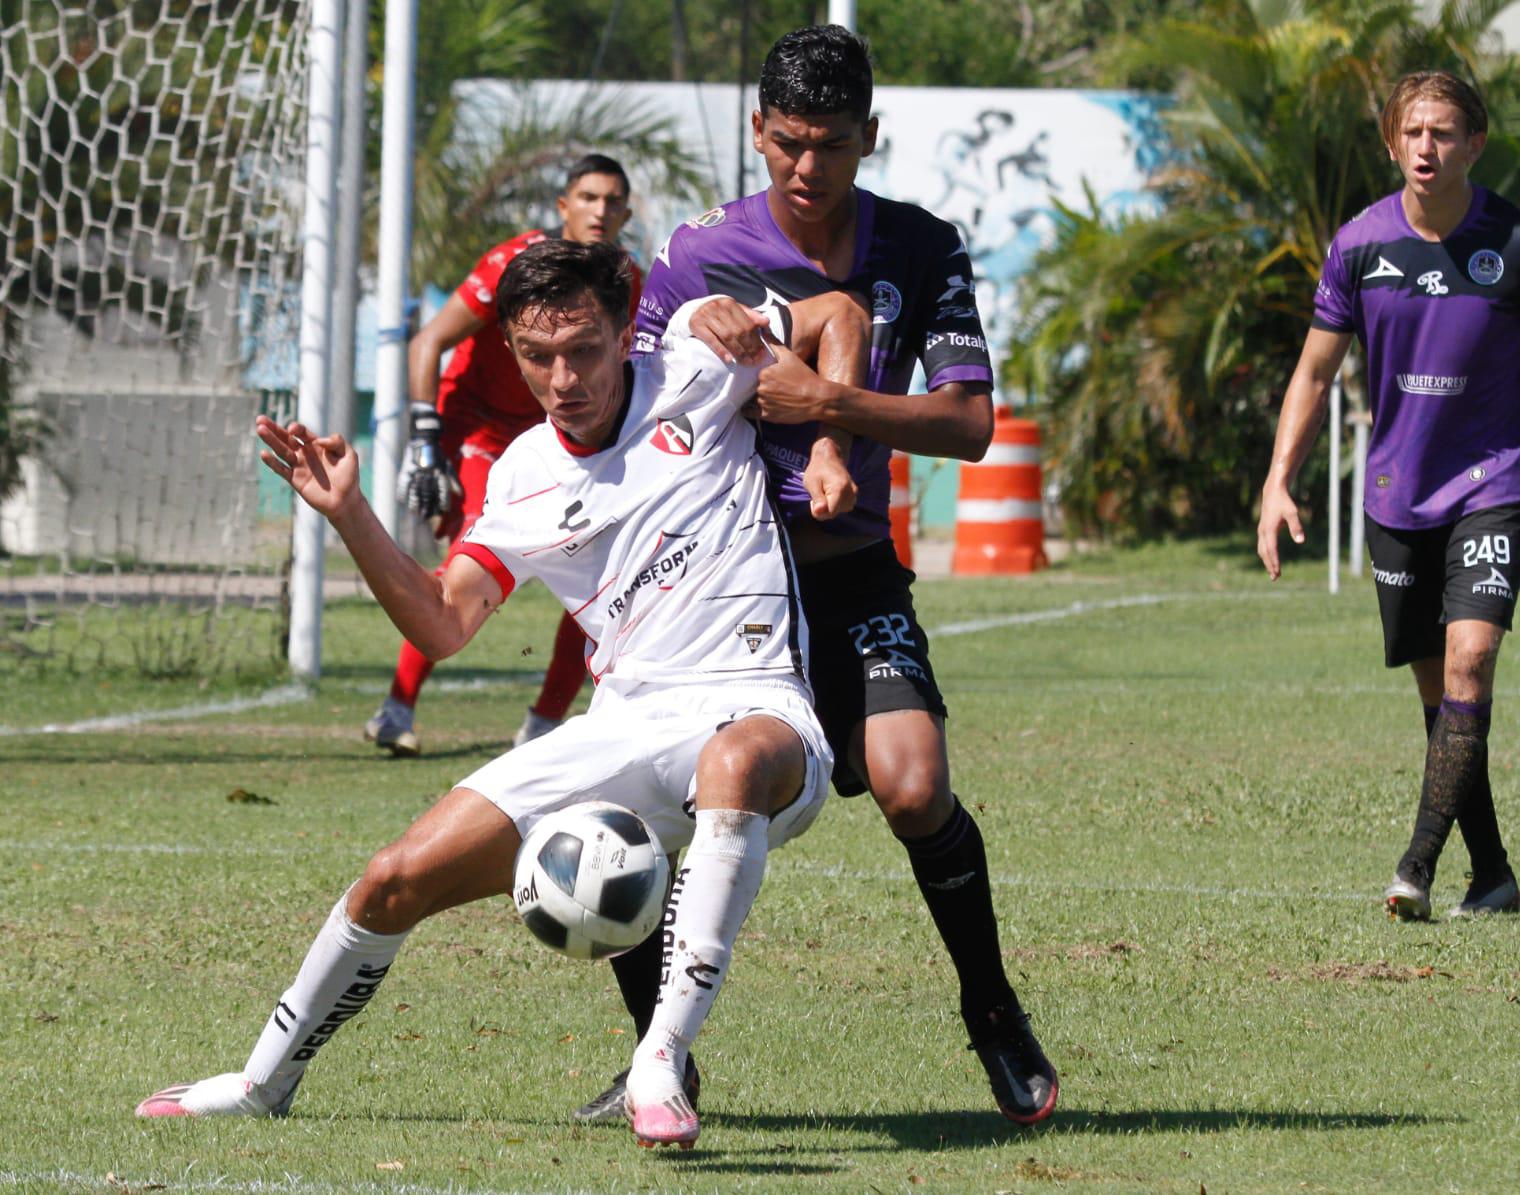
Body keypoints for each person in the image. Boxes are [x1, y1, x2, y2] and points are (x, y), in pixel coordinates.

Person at [136, 240, 871, 1150]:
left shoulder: (693, 351)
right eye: (536, 356)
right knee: (392, 878)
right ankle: (260, 1081)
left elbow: (842, 314)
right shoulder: (523, 473)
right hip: (627, 729)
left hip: (760, 705)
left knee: (732, 759)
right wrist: (351, 515)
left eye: (584, 350)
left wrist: (831, 440)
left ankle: (661, 1062)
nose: (563, 377)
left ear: (622, 329)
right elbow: (445, 623)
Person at [576, 24, 1057, 1127]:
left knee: (912, 783)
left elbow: (971, 423)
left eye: (831, 145)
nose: (805, 167)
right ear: (758, 132)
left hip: (849, 581)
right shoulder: (696, 254)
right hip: (718, 590)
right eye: (787, 143)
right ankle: (662, 1057)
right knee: (635, 812)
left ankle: (991, 1010)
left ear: (867, 138)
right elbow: (630, 409)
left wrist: (829, 407)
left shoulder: (923, 248)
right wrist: (678, 343)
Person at [1257, 70, 1520, 920]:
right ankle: (1494, 875)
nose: (1426, 147)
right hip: (1396, 497)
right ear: (1390, 141)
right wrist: (1278, 481)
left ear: (1474, 144)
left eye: (1444, 133)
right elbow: (1312, 371)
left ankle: (1415, 866)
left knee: (1470, 662)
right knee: (1441, 701)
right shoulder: (1360, 246)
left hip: (1492, 486)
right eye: (1412, 132)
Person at [365, 153, 644, 757]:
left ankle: (544, 723)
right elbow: (430, 340)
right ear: (563, 205)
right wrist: (423, 440)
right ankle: (398, 706)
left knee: (603, 577)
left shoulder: (627, 280)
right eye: (588, 197)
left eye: (613, 200)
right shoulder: (508, 262)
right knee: (470, 563)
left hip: (568, 445)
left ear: (626, 210)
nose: (601, 210)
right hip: (482, 436)